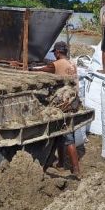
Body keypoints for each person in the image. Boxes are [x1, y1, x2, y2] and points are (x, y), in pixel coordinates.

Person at [36, 41, 81, 178]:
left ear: (57, 52)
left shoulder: (56, 64)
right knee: (61, 134)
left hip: (64, 104)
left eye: (55, 53)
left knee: (68, 136)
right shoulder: (71, 63)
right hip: (73, 101)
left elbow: (42, 70)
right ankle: (61, 163)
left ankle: (76, 170)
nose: (54, 55)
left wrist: (30, 68)